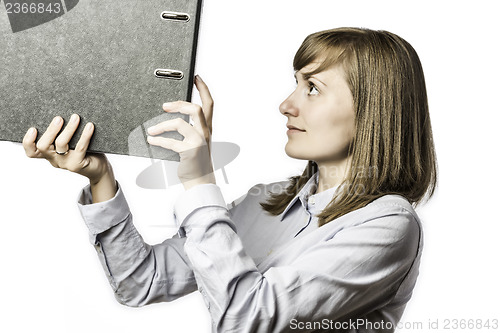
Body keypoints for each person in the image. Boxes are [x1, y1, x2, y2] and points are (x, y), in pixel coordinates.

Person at [23, 27, 437, 332]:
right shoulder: (269, 200)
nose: (285, 104)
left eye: (312, 88)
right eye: (294, 83)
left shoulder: (388, 225)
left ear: (373, 112)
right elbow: (140, 282)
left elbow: (248, 319)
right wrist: (101, 178)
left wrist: (199, 178)